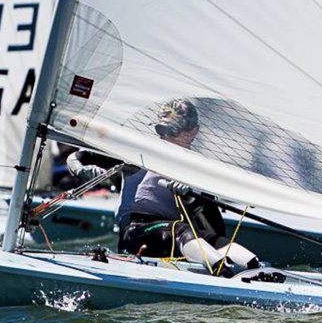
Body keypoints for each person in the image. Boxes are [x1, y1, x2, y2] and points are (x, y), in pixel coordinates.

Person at [110, 99, 259, 277]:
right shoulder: (141, 151)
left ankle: (255, 268)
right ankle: (223, 271)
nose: (164, 136)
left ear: (193, 132)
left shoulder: (197, 169)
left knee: (211, 239)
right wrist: (80, 168)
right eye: (161, 129)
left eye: (171, 130)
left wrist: (193, 197)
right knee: (182, 230)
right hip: (134, 233)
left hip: (174, 236)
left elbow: (214, 229)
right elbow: (80, 156)